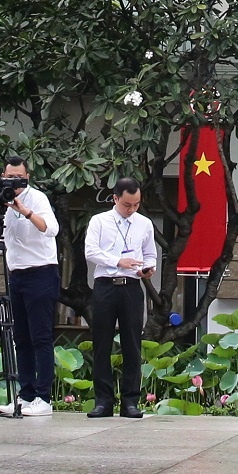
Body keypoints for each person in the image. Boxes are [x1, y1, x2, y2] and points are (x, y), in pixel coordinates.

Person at [83, 178, 158, 420]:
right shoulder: (100, 221)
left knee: (132, 344)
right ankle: (103, 401)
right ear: (115, 198)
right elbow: (90, 251)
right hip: (105, 285)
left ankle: (130, 401)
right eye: (127, 204)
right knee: (102, 343)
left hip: (132, 286)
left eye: (136, 204)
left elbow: (150, 254)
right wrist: (118, 261)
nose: (131, 209)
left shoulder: (144, 224)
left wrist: (148, 268)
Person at [0, 157, 59, 416]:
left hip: (41, 274)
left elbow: (50, 228)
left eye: (18, 178)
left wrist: (25, 210)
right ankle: (25, 395)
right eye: (9, 177)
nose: (13, 183)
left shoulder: (37, 199)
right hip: (17, 275)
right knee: (21, 338)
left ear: (27, 177)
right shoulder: (3, 200)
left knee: (40, 337)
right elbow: (6, 237)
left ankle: (44, 398)